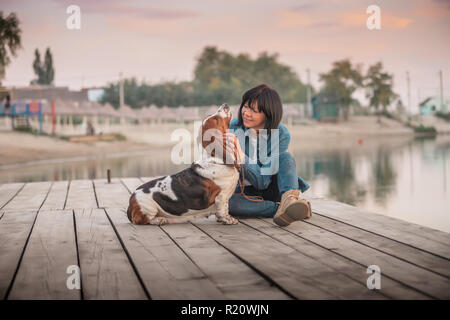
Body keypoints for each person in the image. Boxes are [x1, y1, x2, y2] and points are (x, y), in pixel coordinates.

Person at [223, 84, 311, 226]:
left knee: (285, 157)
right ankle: (281, 209)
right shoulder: (233, 127)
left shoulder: (281, 134)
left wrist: (239, 155)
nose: (246, 113)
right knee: (226, 204)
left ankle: (289, 200)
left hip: (271, 187)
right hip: (242, 191)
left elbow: (262, 181)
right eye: (245, 106)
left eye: (254, 110)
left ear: (268, 114)